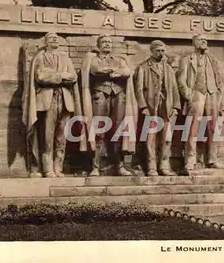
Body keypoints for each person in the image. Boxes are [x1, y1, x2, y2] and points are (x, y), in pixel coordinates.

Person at [22, 32, 85, 178]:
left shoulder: (65, 57)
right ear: (46, 42)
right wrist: (60, 75)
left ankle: (58, 168)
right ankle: (47, 168)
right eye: (51, 38)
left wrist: (55, 76)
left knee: (61, 137)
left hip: (64, 101)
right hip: (46, 101)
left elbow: (73, 77)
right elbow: (40, 76)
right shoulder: (40, 57)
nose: (55, 40)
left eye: (56, 38)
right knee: (47, 136)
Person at [80, 34, 138, 176]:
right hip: (100, 95)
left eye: (109, 42)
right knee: (98, 129)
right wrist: (113, 71)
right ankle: (95, 166)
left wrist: (116, 72)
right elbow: (95, 70)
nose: (107, 44)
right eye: (104, 42)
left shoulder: (119, 59)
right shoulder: (93, 59)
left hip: (119, 96)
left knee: (118, 130)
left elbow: (126, 72)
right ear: (99, 45)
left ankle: (120, 165)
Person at [177, 34, 224, 171]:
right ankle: (190, 159)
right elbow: (181, 80)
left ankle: (212, 159)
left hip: (212, 94)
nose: (205, 41)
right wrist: (189, 95)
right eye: (201, 40)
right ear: (195, 43)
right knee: (192, 126)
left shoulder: (213, 60)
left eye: (206, 39)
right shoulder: (187, 59)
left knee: (213, 127)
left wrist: (220, 95)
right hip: (196, 93)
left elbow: (221, 79)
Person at [134, 40, 181, 176]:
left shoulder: (168, 69)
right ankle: (151, 167)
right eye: (158, 51)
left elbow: (174, 88)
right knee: (151, 138)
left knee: (166, 137)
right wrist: (143, 107)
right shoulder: (143, 68)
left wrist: (176, 106)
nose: (161, 53)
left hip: (166, 106)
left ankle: (164, 166)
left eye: (162, 51)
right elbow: (138, 89)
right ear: (152, 51)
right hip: (151, 106)